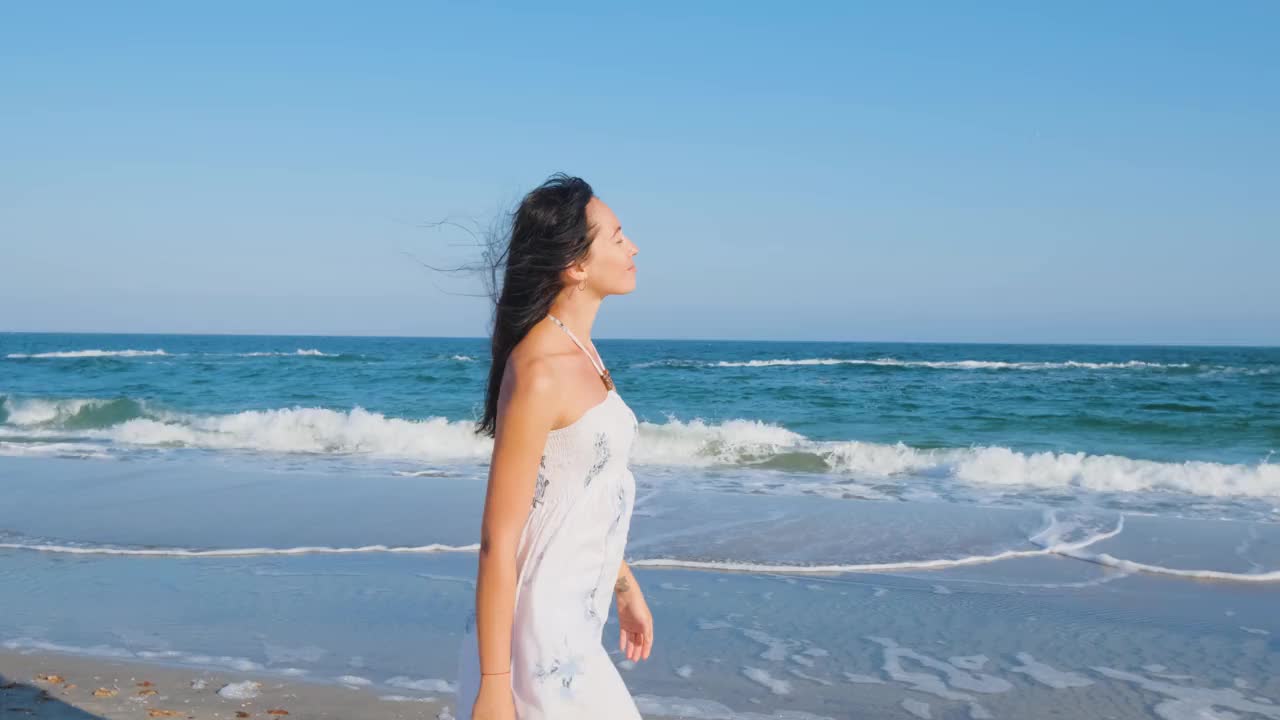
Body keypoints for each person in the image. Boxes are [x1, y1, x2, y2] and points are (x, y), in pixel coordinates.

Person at [454, 173, 652, 719]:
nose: (632, 247)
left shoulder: (582, 352)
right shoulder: (541, 370)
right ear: (576, 265)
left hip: (572, 620)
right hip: (536, 631)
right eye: (617, 237)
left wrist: (623, 583)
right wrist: (494, 686)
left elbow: (576, 490)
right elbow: (499, 538)